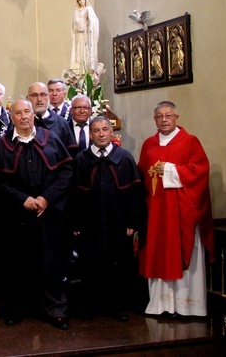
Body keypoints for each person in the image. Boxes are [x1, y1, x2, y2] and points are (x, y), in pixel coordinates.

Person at [0, 99, 73, 330]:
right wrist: (22, 199)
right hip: (16, 217)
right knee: (17, 264)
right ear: (11, 117)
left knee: (52, 263)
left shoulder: (51, 139)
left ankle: (56, 310)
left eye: (27, 111)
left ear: (33, 115)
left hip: (49, 215)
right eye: (18, 113)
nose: (24, 116)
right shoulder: (3, 144)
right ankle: (16, 309)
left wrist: (47, 198)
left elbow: (66, 173)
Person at [137, 101, 214, 318]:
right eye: (159, 116)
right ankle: (160, 305)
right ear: (154, 120)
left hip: (181, 214)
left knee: (183, 254)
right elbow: (142, 176)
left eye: (168, 116)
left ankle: (187, 305)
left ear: (176, 118)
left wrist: (171, 169)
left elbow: (200, 172)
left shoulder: (189, 142)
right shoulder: (149, 145)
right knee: (158, 254)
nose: (164, 120)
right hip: (157, 215)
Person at [71, 116, 144, 321]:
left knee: (119, 264)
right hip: (90, 222)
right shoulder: (82, 159)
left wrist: (132, 222)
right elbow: (75, 193)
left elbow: (135, 194)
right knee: (89, 264)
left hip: (118, 222)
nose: (101, 134)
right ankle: (89, 305)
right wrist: (75, 223)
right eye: (96, 130)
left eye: (105, 129)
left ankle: (118, 305)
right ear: (91, 134)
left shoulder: (125, 158)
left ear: (112, 132)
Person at [27, 82, 77, 155]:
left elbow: (70, 154)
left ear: (48, 97)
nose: (39, 99)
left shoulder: (61, 123)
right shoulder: (21, 122)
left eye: (43, 95)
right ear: (28, 98)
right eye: (35, 95)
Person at [71, 0, 100, 76]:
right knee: (81, 52)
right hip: (80, 36)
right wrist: (83, 20)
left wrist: (90, 20)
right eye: (79, 0)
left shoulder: (90, 9)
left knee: (89, 52)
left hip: (89, 35)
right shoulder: (76, 11)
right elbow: (75, 24)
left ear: (85, 0)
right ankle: (81, 71)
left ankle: (89, 69)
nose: (81, 1)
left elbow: (95, 22)